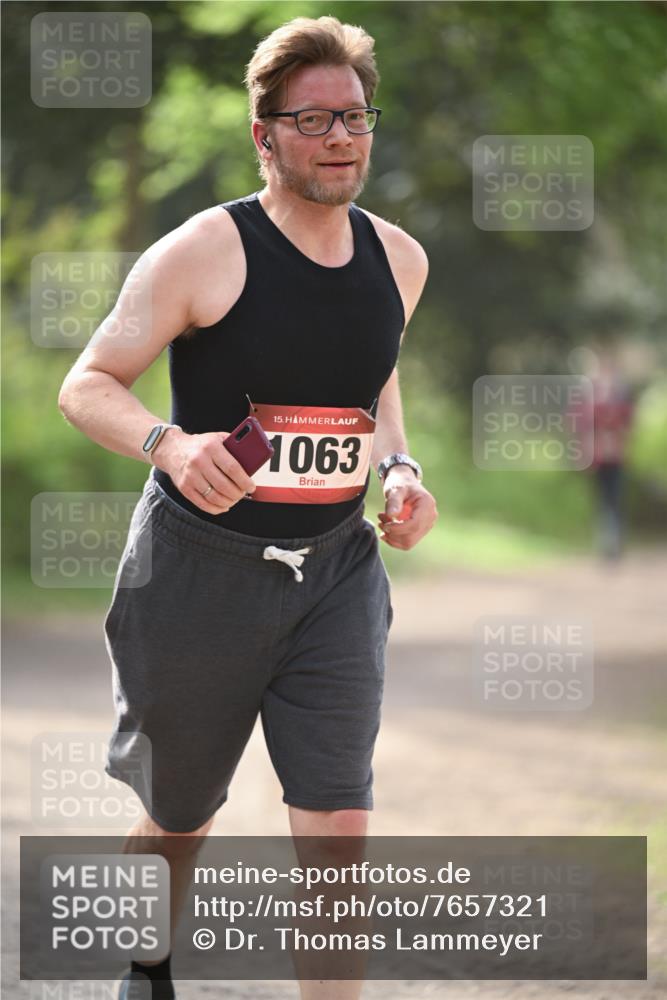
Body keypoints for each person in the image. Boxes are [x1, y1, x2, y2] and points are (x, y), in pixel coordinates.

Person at [58, 15, 437, 999]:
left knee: (338, 821)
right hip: (198, 573)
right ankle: (147, 965)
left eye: (354, 117)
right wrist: (170, 445)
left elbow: (375, 383)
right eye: (312, 121)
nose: (340, 137)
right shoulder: (201, 252)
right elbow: (90, 382)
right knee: (178, 813)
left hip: (335, 571)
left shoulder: (399, 259)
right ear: (263, 136)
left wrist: (399, 468)